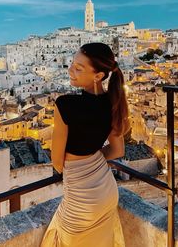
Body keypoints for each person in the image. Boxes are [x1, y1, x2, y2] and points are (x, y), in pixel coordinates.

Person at [40, 42, 130, 247]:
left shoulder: (65, 105)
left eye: (78, 68)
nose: (70, 70)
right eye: (72, 63)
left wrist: (82, 160)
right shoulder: (114, 103)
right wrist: (92, 157)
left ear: (98, 76)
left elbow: (57, 162)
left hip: (82, 201)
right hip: (107, 191)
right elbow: (117, 150)